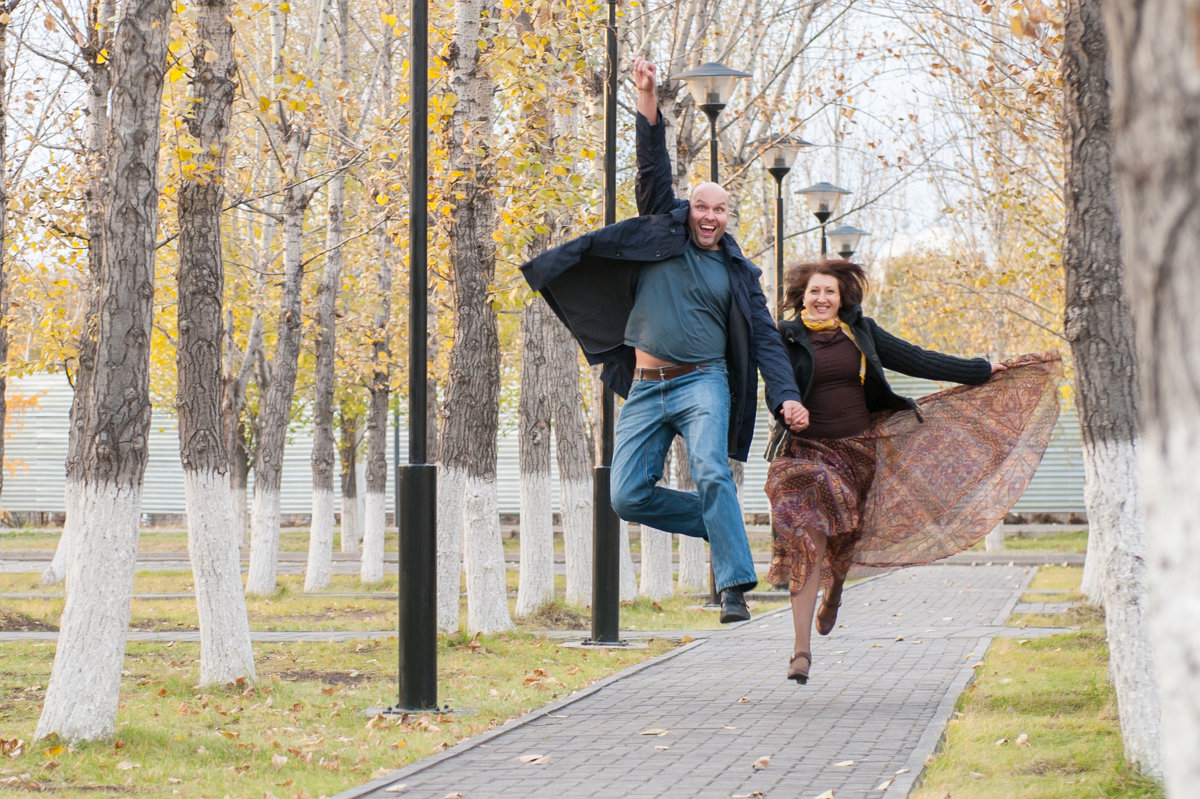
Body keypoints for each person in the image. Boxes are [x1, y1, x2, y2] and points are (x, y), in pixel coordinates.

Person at [521, 57, 809, 623]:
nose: (708, 216)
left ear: (729, 216)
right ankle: (723, 525)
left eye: (718, 209)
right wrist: (647, 98)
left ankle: (732, 588)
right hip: (646, 388)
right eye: (700, 206)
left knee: (709, 470)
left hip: (704, 382)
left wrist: (786, 397)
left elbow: (768, 343)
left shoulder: (738, 275)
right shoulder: (661, 231)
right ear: (688, 210)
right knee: (626, 495)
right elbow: (652, 169)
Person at [765, 259, 1061, 684]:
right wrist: (785, 405)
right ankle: (800, 652)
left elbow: (917, 359)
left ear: (842, 296)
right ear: (802, 297)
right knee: (809, 535)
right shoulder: (784, 337)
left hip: (859, 452)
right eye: (814, 291)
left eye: (829, 291)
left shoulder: (860, 332)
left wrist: (979, 369)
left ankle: (835, 592)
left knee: (844, 540)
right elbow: (776, 381)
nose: (822, 299)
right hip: (805, 452)